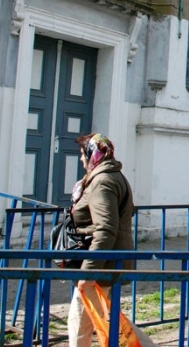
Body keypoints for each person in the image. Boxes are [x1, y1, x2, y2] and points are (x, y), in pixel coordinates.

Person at [68, 133, 138, 347]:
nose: (81, 159)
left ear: (93, 154)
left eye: (83, 154)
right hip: (108, 262)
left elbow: (106, 228)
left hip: (101, 265)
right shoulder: (112, 175)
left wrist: (88, 272)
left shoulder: (102, 181)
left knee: (80, 325)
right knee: (106, 323)